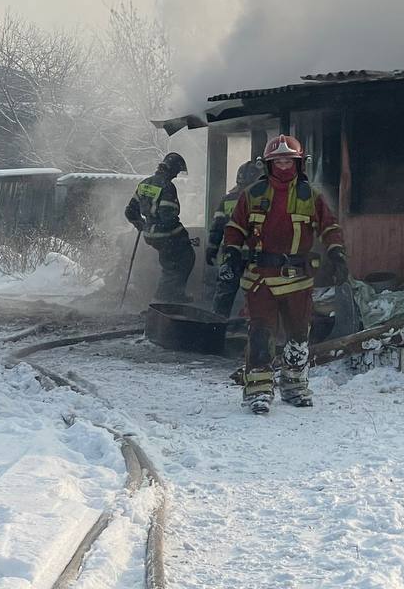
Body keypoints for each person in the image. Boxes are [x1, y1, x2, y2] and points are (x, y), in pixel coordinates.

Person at [220, 133, 349, 414]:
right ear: (268, 164)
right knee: (261, 334)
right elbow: (235, 229)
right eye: (277, 162)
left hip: (297, 279)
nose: (283, 166)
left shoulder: (310, 196)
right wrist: (229, 255)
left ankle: (294, 387)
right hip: (260, 279)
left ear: (298, 163)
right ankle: (258, 391)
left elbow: (329, 227)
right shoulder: (252, 194)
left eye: (288, 161)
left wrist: (337, 254)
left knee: (299, 335)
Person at [124, 151, 196, 304]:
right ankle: (164, 300)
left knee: (170, 263)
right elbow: (168, 218)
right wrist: (182, 237)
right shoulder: (167, 186)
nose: (176, 176)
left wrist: (141, 225)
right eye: (177, 172)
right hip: (164, 235)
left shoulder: (145, 183)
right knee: (183, 260)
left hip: (149, 234)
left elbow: (130, 211)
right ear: (172, 169)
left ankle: (170, 297)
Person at [205, 158, 264, 318]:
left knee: (225, 291)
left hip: (231, 254)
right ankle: (253, 324)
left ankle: (217, 324)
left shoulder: (228, 199)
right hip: (255, 255)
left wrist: (212, 248)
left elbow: (217, 227)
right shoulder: (263, 199)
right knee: (256, 291)